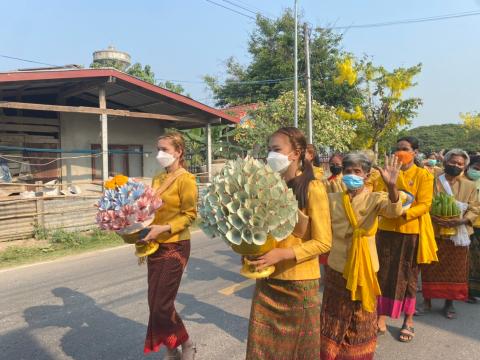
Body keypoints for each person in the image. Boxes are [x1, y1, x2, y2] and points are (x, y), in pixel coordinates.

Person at [246, 127, 332, 360]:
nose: (270, 155)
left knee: (299, 351)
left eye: (276, 149)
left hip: (299, 284)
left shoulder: (313, 188)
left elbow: (323, 243)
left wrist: (282, 255)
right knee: (262, 349)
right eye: (269, 150)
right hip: (267, 281)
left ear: (296, 153)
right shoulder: (266, 187)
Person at [321, 153, 403, 360]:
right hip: (337, 265)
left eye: (357, 171)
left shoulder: (377, 198)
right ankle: (330, 353)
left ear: (366, 175)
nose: (351, 175)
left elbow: (394, 212)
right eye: (348, 171)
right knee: (334, 314)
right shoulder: (332, 199)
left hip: (365, 266)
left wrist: (392, 186)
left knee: (361, 315)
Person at [142, 132, 198, 360]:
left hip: (176, 245)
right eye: (158, 149)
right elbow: (150, 210)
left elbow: (190, 216)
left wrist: (164, 228)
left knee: (162, 305)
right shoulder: (157, 178)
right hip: (155, 245)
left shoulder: (186, 180)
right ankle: (171, 349)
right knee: (154, 303)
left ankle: (187, 343)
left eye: (165, 150)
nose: (160, 154)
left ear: (178, 152)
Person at [375, 136, 436, 343]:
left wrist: (402, 213)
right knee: (383, 273)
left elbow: (425, 204)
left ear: (415, 152)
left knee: (409, 276)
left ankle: (408, 319)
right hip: (385, 230)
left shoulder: (423, 175)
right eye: (398, 148)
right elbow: (377, 195)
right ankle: (381, 316)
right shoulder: (384, 172)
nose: (400, 152)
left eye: (405, 149)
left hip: (410, 231)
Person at [422, 150, 480, 318]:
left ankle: (449, 303)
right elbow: (425, 201)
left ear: (465, 166)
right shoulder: (432, 180)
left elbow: (475, 207)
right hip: (434, 230)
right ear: (445, 162)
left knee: (455, 271)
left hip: (458, 234)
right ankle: (427, 301)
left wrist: (461, 220)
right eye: (453, 162)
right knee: (429, 267)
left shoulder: (469, 185)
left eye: (460, 164)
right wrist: (434, 216)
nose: (456, 165)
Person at [465, 155, 480, 303]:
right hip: (468, 225)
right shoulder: (464, 183)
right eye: (476, 168)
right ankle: (467, 290)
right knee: (468, 260)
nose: (477, 172)